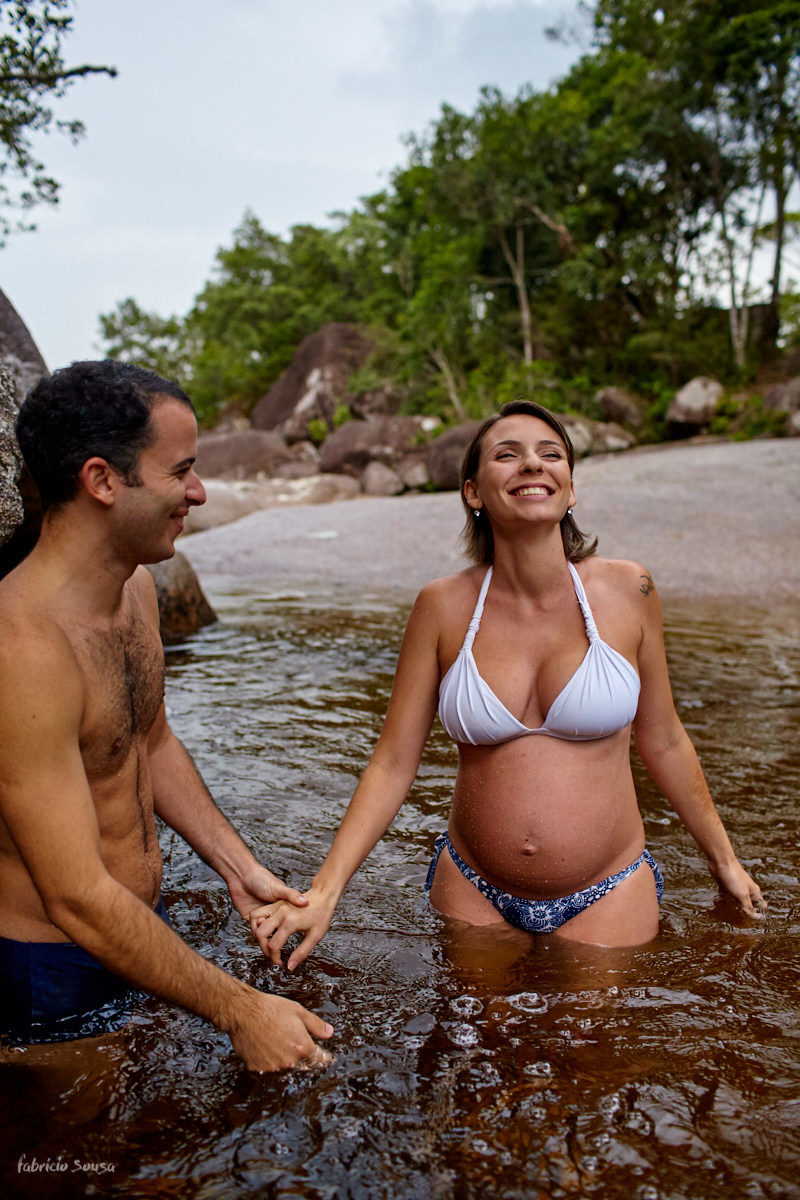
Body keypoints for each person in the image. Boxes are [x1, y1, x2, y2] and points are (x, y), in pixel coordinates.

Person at [253, 399, 765, 967]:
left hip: (609, 886)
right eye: (508, 455)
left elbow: (665, 739)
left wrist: (725, 862)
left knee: (602, 1052)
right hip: (474, 889)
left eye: (551, 455)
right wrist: (325, 892)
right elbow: (393, 762)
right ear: (473, 491)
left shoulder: (630, 590)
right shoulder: (441, 607)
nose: (532, 465)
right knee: (475, 1050)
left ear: (571, 490)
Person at [0, 360, 333, 1070]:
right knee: (88, 1167)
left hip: (137, 933)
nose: (199, 492)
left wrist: (238, 869)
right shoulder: (22, 652)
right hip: (50, 969)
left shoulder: (136, 591)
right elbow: (76, 896)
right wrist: (242, 1010)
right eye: (181, 470)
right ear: (102, 481)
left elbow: (147, 740)